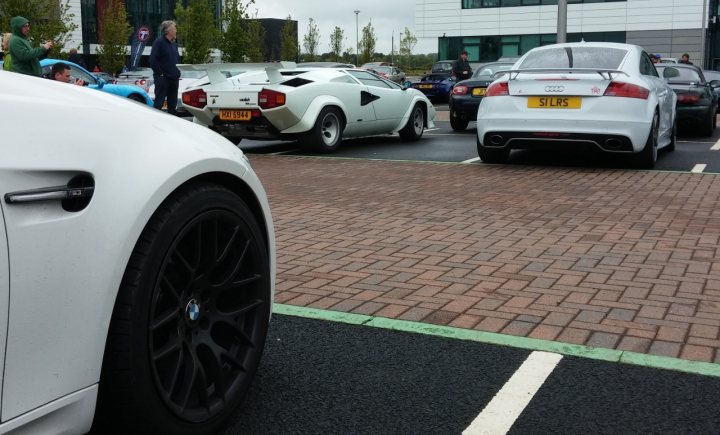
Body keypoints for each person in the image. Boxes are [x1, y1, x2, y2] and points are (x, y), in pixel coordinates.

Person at [150, 20, 180, 115]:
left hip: (174, 79)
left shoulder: (174, 44)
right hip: (163, 79)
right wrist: (160, 74)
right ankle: (155, 125)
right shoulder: (159, 42)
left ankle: (171, 127)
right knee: (158, 105)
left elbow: (176, 60)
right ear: (168, 30)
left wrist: (177, 73)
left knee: (172, 107)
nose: (176, 31)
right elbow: (153, 60)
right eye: (174, 29)